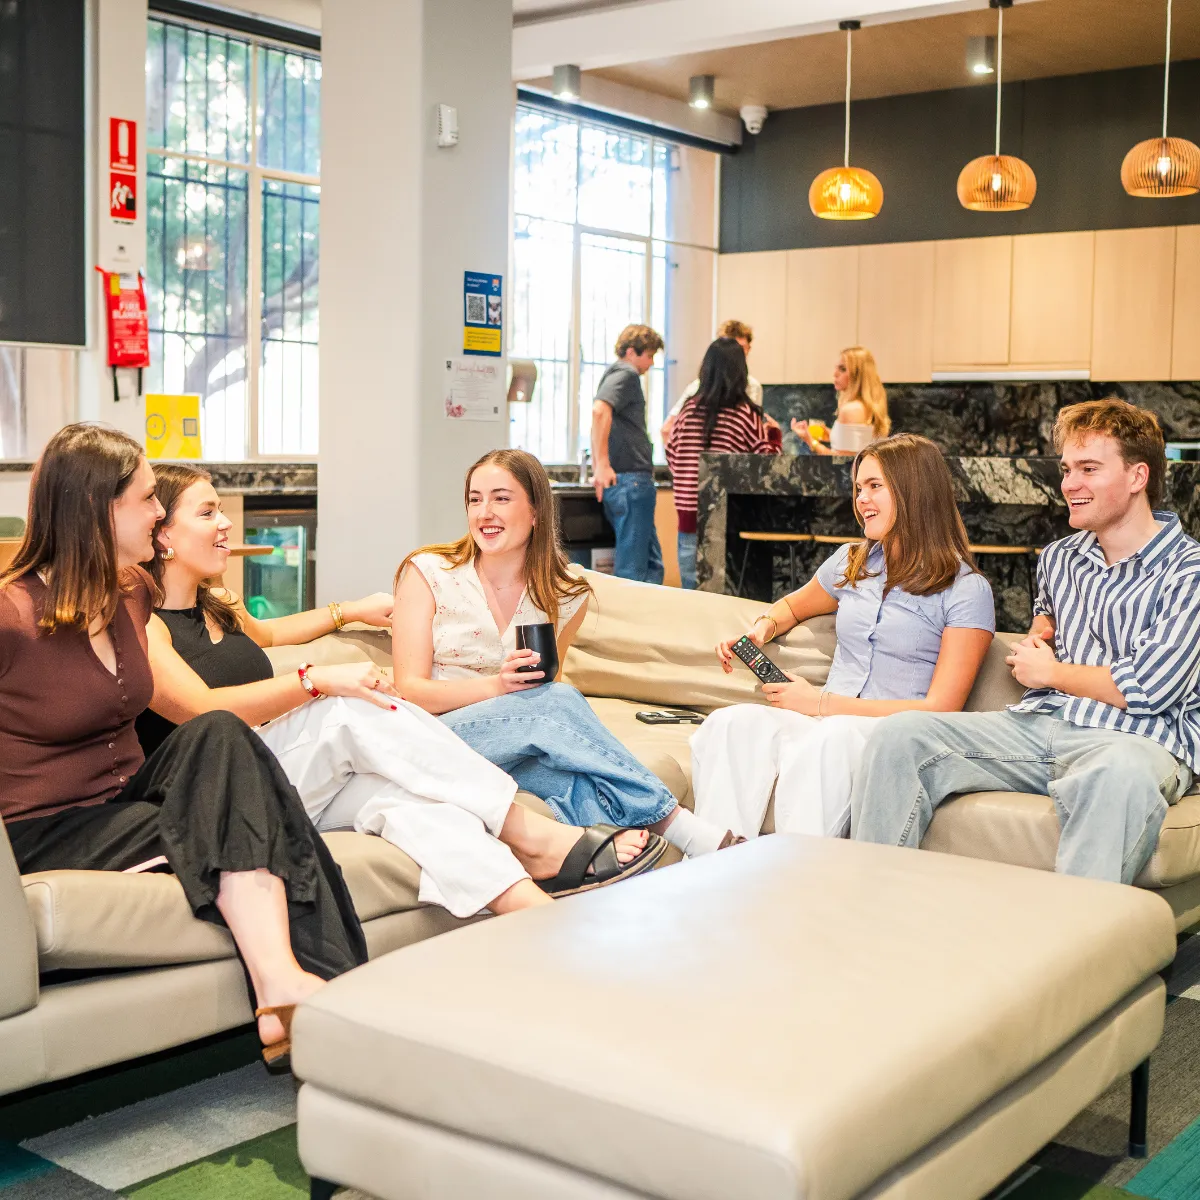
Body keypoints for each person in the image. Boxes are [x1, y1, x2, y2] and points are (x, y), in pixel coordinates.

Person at [0, 424, 366, 1072]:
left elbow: (195, 708)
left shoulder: (132, 592)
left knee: (221, 735)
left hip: (128, 804)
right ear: (97, 509)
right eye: (146, 499)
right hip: (43, 829)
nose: (158, 514)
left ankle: (293, 989)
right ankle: (321, 996)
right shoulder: (11, 616)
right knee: (270, 812)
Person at [137, 463, 658, 918]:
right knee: (344, 709)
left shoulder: (218, 602)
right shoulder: (141, 624)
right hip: (216, 789)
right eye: (208, 513)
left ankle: (533, 913)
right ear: (163, 534)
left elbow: (271, 634)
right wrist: (312, 681)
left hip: (286, 778)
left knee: (416, 808)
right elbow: (199, 710)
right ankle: (528, 831)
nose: (227, 522)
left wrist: (350, 611)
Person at [852, 399, 1200, 885]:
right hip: (1037, 726)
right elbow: (1047, 617)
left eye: (1089, 469)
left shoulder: (1189, 571)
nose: (1069, 485)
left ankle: (1079, 952)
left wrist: (1054, 673)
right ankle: (872, 909)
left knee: (1117, 775)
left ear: (1138, 476)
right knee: (902, 736)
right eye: (1066, 469)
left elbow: (1149, 688)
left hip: (1135, 740)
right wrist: (1041, 629)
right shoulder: (1059, 558)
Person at [392, 448, 739, 860]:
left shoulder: (564, 593)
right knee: (556, 705)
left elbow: (542, 686)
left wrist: (522, 693)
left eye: (501, 498)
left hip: (510, 743)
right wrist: (497, 686)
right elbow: (409, 690)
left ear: (536, 511)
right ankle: (675, 821)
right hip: (433, 736)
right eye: (475, 499)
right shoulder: (428, 572)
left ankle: (605, 858)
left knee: (569, 776)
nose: (484, 511)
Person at [693, 434, 995, 842]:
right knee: (730, 723)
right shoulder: (852, 562)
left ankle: (795, 879)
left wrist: (820, 702)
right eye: (858, 488)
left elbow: (942, 707)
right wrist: (760, 629)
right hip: (822, 719)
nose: (861, 500)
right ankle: (713, 865)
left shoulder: (966, 590)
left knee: (831, 741)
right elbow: (794, 606)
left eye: (875, 487)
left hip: (889, 734)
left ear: (914, 492)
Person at [665, 337, 782, 589]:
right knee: (724, 598)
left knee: (690, 593)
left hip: (688, 519)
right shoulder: (745, 415)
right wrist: (774, 436)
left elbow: (672, 455)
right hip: (729, 521)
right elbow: (766, 468)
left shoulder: (687, 411)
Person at [590, 323, 665, 583]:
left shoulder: (612, 375)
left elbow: (600, 416)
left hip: (630, 481)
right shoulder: (626, 373)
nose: (651, 363)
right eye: (650, 355)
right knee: (633, 571)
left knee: (651, 564)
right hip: (631, 481)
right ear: (632, 351)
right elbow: (600, 411)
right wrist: (601, 465)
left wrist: (600, 465)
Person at [661, 319, 773, 443]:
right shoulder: (698, 387)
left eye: (740, 349)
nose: (735, 354)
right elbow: (667, 428)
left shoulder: (753, 387)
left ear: (749, 349)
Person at [792, 346, 889, 457]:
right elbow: (857, 444)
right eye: (836, 368)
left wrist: (810, 441)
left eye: (843, 369)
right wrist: (830, 433)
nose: (835, 374)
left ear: (858, 375)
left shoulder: (851, 410)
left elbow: (842, 461)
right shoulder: (866, 406)